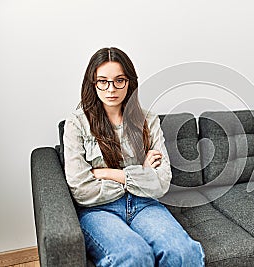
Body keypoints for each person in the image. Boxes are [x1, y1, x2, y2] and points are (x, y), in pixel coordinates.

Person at [63, 47, 205, 267]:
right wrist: (142, 174)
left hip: (145, 204)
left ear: (129, 82)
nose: (111, 89)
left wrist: (110, 174)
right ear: (92, 83)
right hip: (98, 210)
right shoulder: (77, 124)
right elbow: (81, 190)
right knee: (134, 256)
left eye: (119, 80)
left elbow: (161, 183)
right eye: (103, 81)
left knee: (183, 252)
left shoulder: (148, 120)